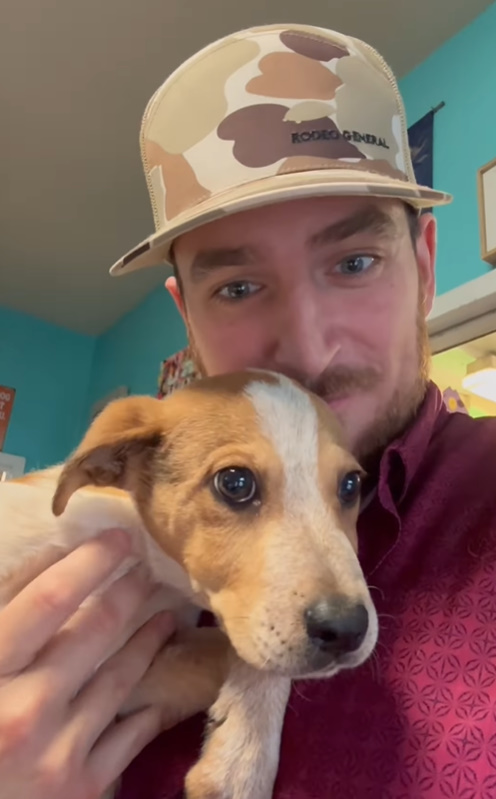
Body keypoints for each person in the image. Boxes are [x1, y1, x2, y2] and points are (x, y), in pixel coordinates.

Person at [1, 21, 496, 799]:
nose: (307, 349)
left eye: (355, 261)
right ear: (187, 320)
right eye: (236, 286)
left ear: (428, 268)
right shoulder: (129, 516)